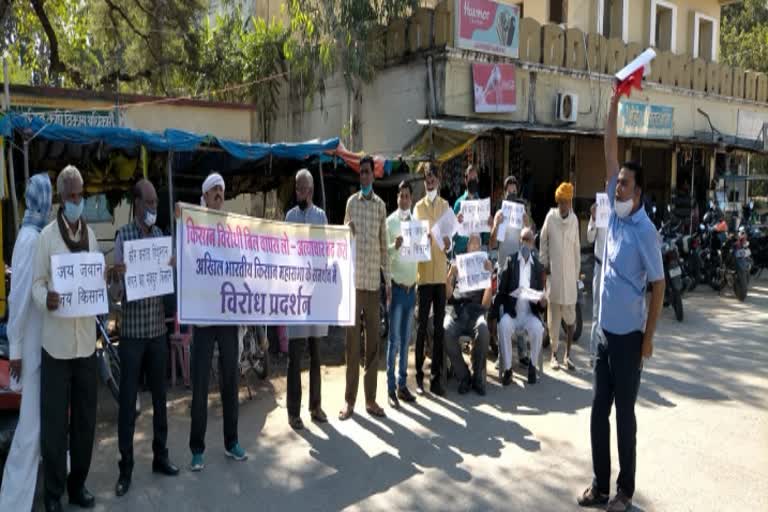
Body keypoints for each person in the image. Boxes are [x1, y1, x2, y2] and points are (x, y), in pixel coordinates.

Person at [577, 90, 665, 512]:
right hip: (604, 335)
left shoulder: (646, 231)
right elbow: (610, 151)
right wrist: (613, 106)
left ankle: (624, 492)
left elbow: (659, 285)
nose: (617, 186)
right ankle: (599, 485)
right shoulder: (615, 208)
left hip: (630, 338)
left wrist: (649, 338)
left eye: (625, 184)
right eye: (617, 183)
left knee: (624, 418)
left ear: (638, 192)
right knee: (598, 413)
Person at [32, 165, 99, 512]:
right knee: (56, 425)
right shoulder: (46, 238)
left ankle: (78, 486)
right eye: (72, 195)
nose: (78, 201)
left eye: (81, 194)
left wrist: (106, 281)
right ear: (60, 197)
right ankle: (54, 494)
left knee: (85, 421)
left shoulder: (89, 236)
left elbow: (95, 279)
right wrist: (48, 299)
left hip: (86, 343)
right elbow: (36, 285)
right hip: (56, 347)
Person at [112, 180, 179, 497]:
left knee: (160, 400)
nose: (153, 208)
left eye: (156, 203)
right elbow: (114, 293)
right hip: (131, 335)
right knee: (128, 403)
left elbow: (168, 284)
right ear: (137, 203)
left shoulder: (162, 237)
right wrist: (117, 274)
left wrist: (171, 268)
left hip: (157, 332)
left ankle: (160, 456)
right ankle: (125, 469)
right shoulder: (123, 237)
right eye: (149, 202)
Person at [189, 172, 248, 471]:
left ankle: (231, 442)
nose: (218, 195)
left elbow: (240, 261)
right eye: (213, 190)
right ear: (205, 194)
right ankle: (197, 449)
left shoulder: (231, 227)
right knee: (200, 384)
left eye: (222, 191)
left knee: (230, 380)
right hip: (202, 316)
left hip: (227, 314)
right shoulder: (194, 225)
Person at [0, 173, 52, 511]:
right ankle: (13, 502)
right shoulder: (32, 239)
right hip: (30, 347)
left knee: (37, 427)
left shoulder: (29, 235)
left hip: (37, 345)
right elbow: (19, 298)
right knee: (29, 432)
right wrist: (16, 348)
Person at [340, 156, 391, 420]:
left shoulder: (381, 207)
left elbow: (385, 248)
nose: (364, 177)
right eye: (361, 173)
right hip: (352, 284)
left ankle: (370, 400)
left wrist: (388, 281)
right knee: (352, 345)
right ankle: (350, 401)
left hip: (373, 284)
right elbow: (342, 239)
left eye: (367, 172)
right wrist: (345, 229)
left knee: (373, 344)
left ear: (374, 175)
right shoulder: (351, 204)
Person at [285, 169, 328, 429]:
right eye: (296, 188)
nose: (298, 192)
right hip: (294, 297)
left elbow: (324, 253)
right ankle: (293, 411)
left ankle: (316, 406)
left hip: (316, 297)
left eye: (302, 189)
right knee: (294, 356)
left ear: (310, 191)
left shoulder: (320, 217)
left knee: (316, 354)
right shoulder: (289, 217)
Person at [412, 163, 452, 397]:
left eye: (433, 176)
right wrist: (421, 238)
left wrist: (447, 242)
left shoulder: (446, 206)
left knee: (438, 330)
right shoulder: (418, 207)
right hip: (424, 275)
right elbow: (413, 239)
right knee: (420, 331)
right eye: (427, 177)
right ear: (424, 180)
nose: (430, 180)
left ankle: (436, 379)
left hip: (440, 277)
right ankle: (418, 377)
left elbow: (449, 240)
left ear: (439, 179)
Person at [495, 228, 547, 386]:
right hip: (513, 312)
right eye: (524, 239)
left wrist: (542, 302)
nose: (526, 243)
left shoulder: (538, 267)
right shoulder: (510, 262)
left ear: (533, 243)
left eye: (529, 240)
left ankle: (532, 366)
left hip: (529, 313)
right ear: (519, 241)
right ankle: (508, 369)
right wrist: (501, 306)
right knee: (503, 325)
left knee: (538, 328)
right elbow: (501, 290)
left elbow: (540, 297)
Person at [444, 234, 493, 395]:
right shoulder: (457, 264)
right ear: (467, 247)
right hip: (456, 311)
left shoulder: (484, 265)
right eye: (472, 243)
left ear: (480, 248)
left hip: (475, 312)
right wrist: (450, 275)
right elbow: (447, 295)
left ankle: (477, 375)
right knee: (445, 330)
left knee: (483, 329)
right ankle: (464, 375)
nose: (474, 246)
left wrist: (489, 278)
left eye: (477, 244)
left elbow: (486, 304)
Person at [540, 181, 581, 371]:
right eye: (562, 201)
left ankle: (568, 354)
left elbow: (577, 249)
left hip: (570, 277)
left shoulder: (574, 220)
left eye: (568, 201)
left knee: (570, 318)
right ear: (558, 201)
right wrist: (544, 263)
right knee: (553, 317)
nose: (565, 205)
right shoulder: (551, 217)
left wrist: (577, 275)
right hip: (554, 276)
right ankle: (554, 355)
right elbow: (543, 241)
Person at [385, 180, 419, 409]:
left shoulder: (417, 224)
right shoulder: (390, 222)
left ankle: (402, 384)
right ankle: (389, 388)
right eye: (401, 195)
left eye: (408, 195)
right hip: (397, 289)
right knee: (394, 340)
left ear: (411, 199)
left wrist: (424, 243)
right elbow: (384, 255)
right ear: (397, 198)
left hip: (411, 289)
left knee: (406, 340)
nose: (404, 199)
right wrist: (393, 247)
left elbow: (419, 254)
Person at [453, 164, 493, 255]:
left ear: (478, 180)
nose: (473, 181)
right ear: (466, 181)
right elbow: (452, 234)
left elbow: (485, 237)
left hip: (477, 251)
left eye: (475, 178)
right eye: (471, 179)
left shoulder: (482, 205)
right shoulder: (459, 203)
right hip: (461, 251)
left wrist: (490, 225)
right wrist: (456, 221)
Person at [587, 197, 608, 367]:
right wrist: (593, 218)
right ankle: (594, 354)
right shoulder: (598, 212)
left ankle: (610, 354)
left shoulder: (620, 213)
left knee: (614, 312)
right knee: (597, 311)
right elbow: (589, 237)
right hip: (600, 265)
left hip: (616, 269)